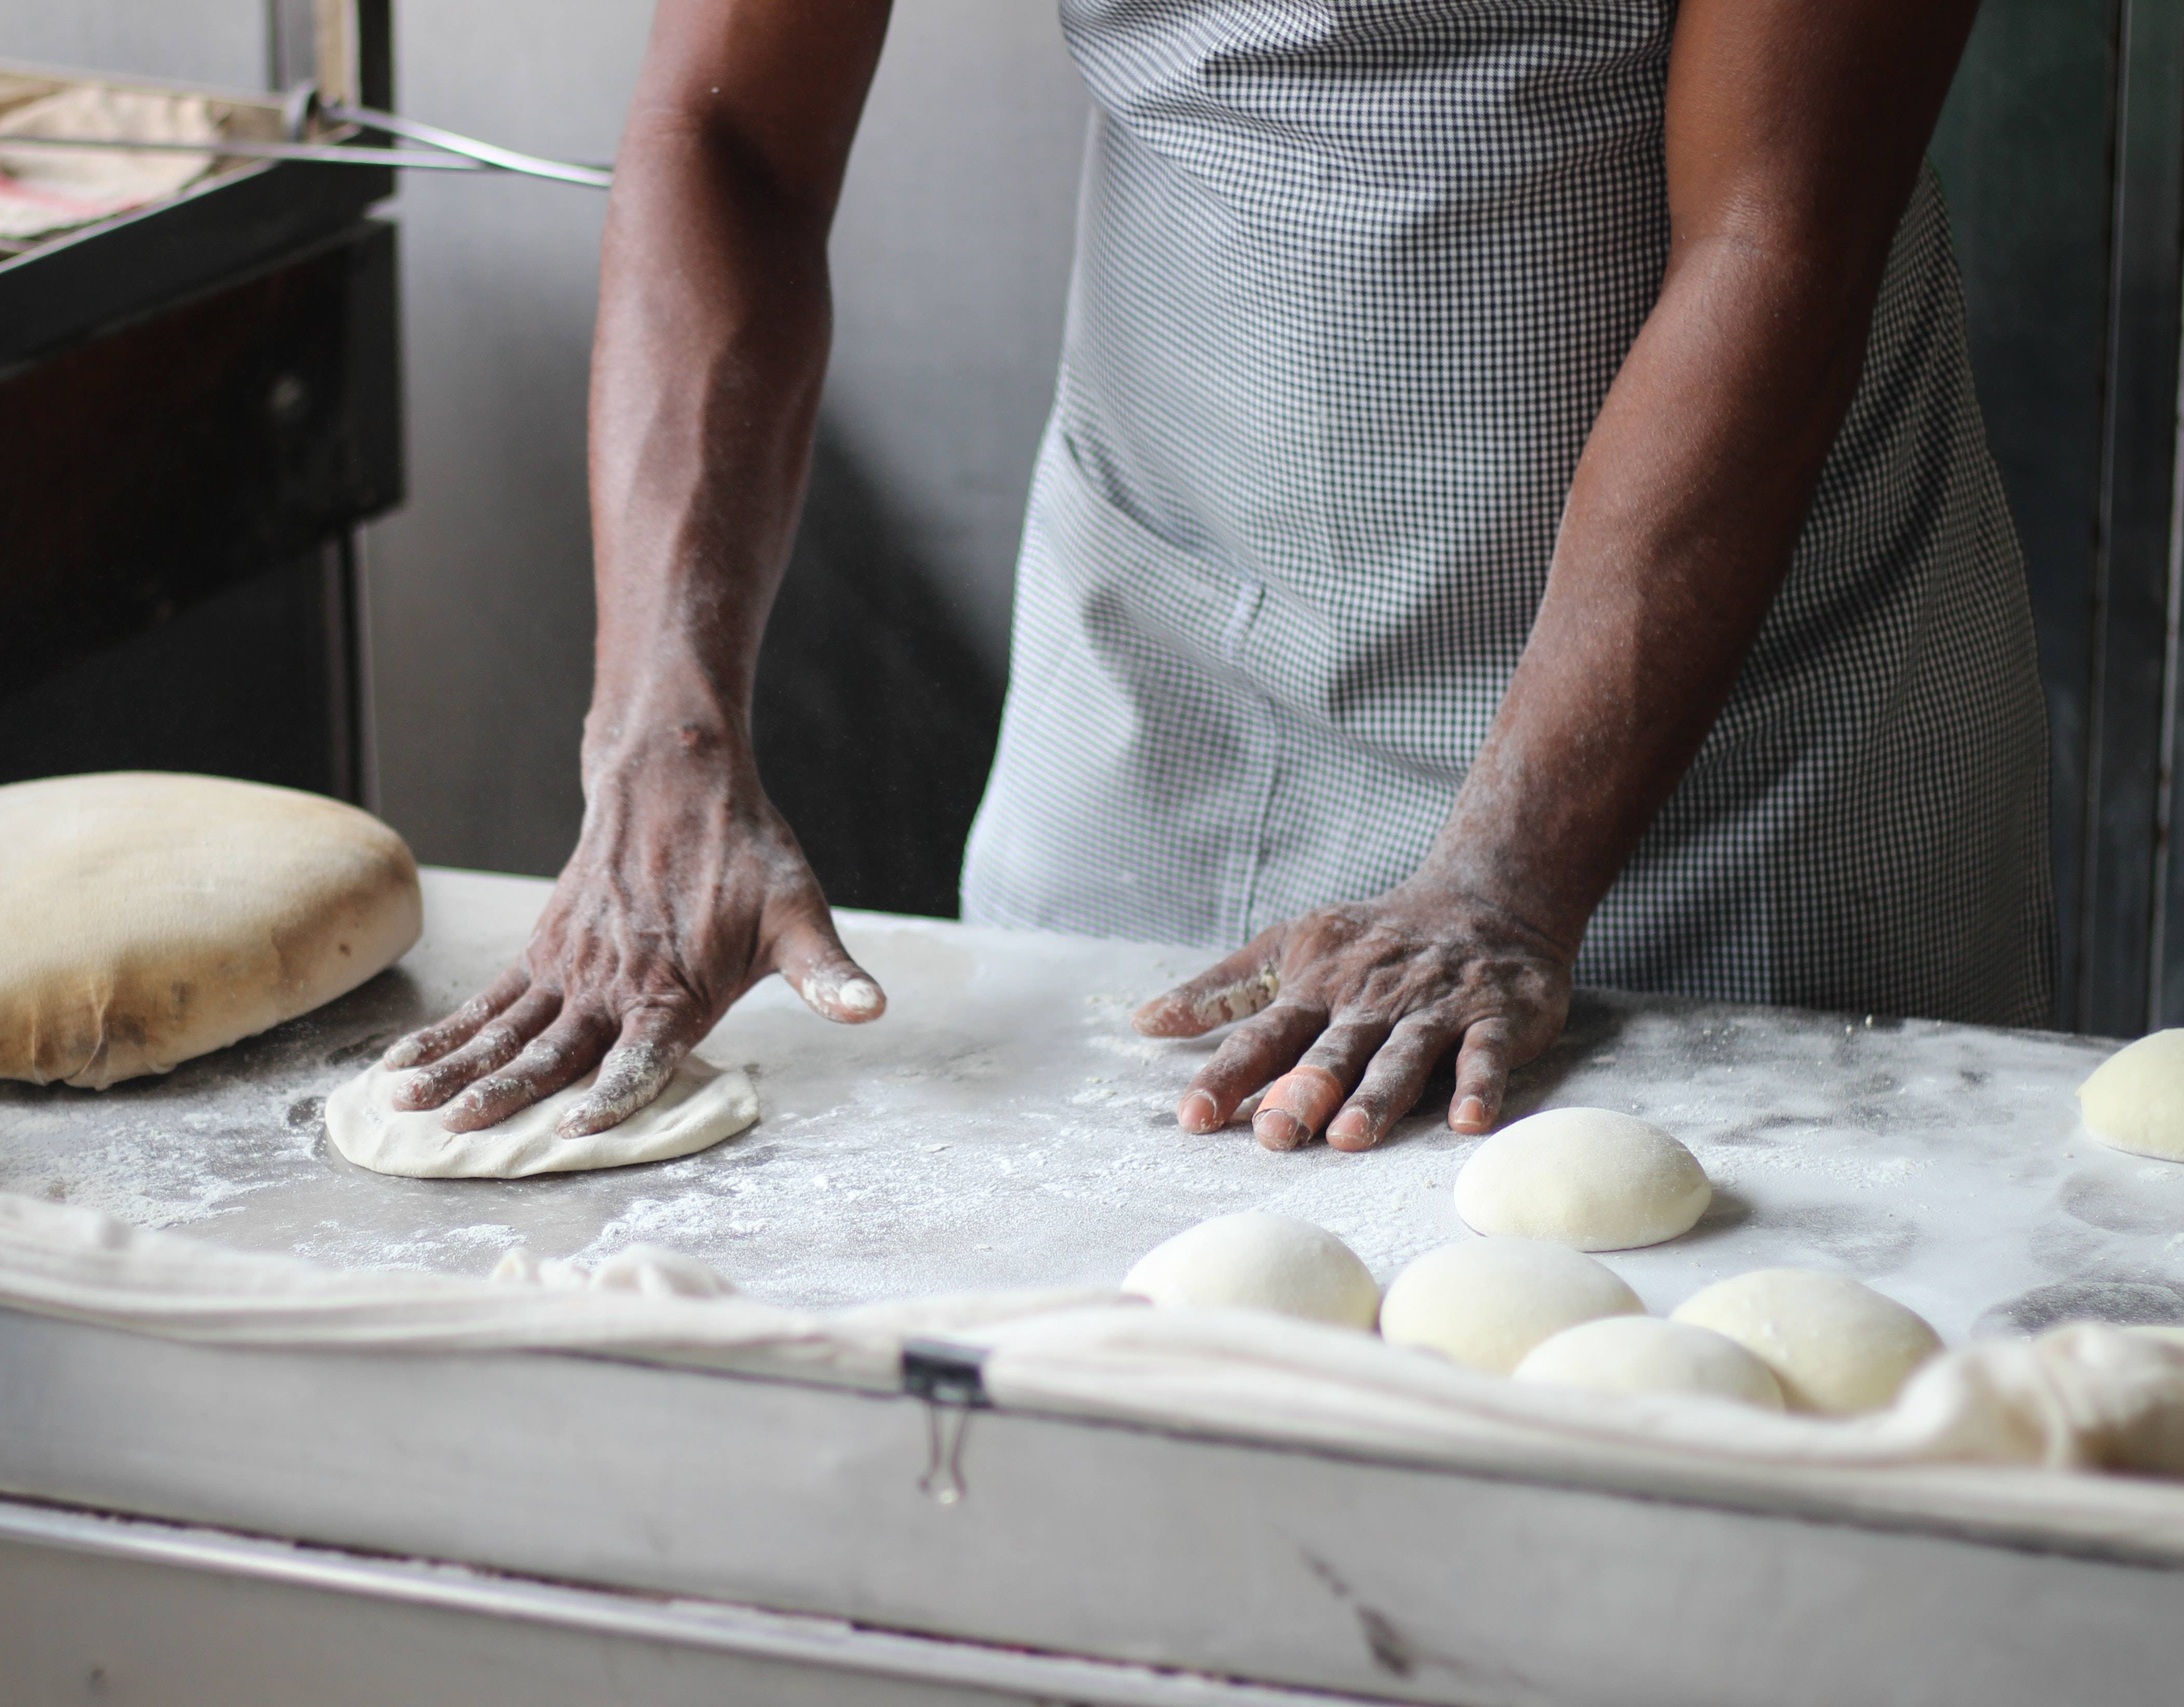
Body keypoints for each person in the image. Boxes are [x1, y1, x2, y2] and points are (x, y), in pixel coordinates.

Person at [379, 0, 2050, 1155]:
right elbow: (730, 134)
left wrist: (1511, 873)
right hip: (1169, 670)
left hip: (1731, 737)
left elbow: (1780, 233)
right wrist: (659, 725)